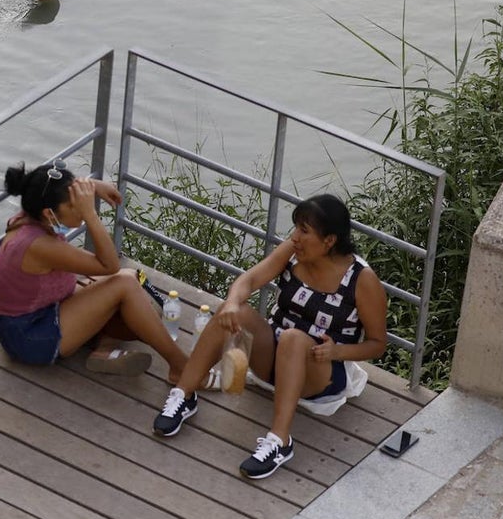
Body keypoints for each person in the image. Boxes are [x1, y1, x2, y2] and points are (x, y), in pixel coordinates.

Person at [151, 194, 388, 479]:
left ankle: (280, 442)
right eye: (296, 227)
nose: (295, 237)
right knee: (234, 311)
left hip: (320, 372)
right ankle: (184, 395)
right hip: (273, 358)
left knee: (293, 338)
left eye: (304, 230)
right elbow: (248, 280)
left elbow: (377, 344)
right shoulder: (293, 252)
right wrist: (232, 302)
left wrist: (337, 352)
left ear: (329, 241)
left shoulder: (361, 280)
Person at [0, 159, 190, 381]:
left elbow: (57, 189)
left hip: (45, 309)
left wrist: (92, 185)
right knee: (125, 284)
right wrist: (91, 215)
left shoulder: (32, 213)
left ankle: (104, 350)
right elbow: (110, 265)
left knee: (134, 287)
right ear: (49, 213)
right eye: (76, 206)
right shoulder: (38, 245)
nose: (83, 209)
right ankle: (181, 367)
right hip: (30, 337)